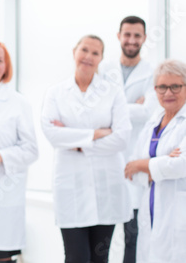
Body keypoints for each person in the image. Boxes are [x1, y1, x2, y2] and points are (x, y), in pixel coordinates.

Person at [41, 35, 132, 263]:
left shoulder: (113, 92)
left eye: (95, 53)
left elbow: (122, 138)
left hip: (106, 186)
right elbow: (52, 134)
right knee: (76, 257)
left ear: (101, 58)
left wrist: (77, 143)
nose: (88, 57)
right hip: (71, 188)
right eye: (84, 50)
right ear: (74, 52)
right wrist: (96, 134)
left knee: (100, 258)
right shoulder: (56, 92)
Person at [99, 16, 157, 263]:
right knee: (101, 239)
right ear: (119, 36)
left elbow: (150, 112)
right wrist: (131, 107)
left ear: (144, 38)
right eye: (127, 35)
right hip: (106, 161)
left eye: (137, 35)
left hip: (135, 161)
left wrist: (113, 110)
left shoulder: (152, 73)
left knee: (133, 240)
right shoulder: (103, 69)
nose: (132, 40)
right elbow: (96, 112)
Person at [0, 41, 38, 263]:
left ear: (6, 67)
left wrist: (0, 156)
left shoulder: (18, 103)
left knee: (0, 255)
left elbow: (31, 150)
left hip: (3, 197)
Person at [124, 59, 186, 263]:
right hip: (149, 205)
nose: (168, 93)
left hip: (178, 211)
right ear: (155, 89)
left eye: (175, 86)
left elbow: (180, 165)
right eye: (162, 87)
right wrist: (159, 164)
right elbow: (131, 168)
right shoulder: (154, 120)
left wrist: (144, 164)